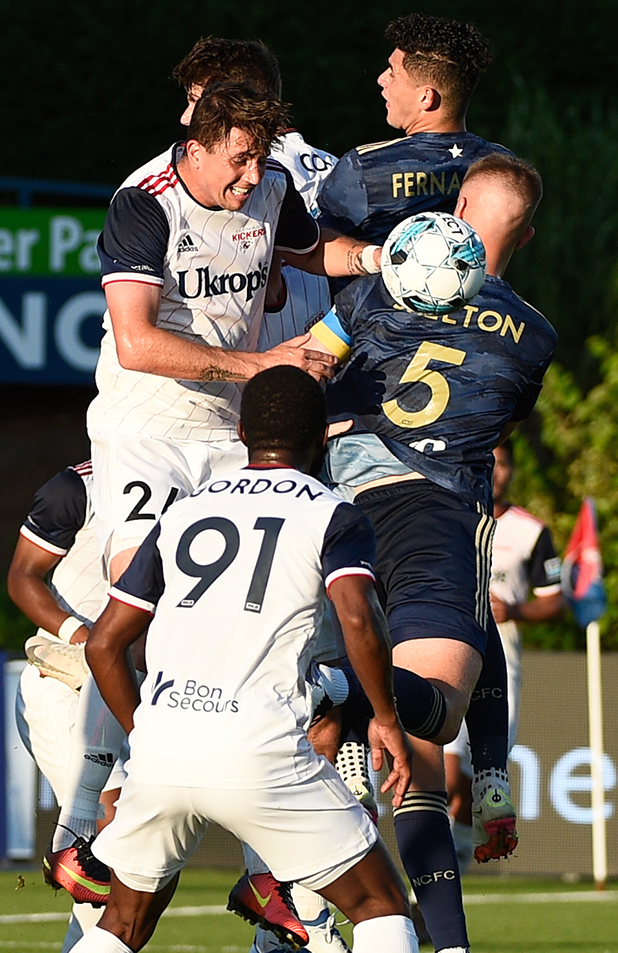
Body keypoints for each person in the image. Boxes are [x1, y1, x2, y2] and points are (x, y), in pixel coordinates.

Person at [28, 366, 421, 953]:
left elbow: (109, 642)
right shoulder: (333, 512)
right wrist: (387, 717)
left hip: (166, 745)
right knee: (381, 906)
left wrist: (142, 732)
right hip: (260, 747)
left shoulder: (183, 510)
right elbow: (359, 615)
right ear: (319, 437)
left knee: (123, 922)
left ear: (241, 434)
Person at [309, 152, 553, 953]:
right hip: (425, 511)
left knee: (386, 754)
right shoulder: (533, 334)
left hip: (322, 502)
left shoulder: (378, 291)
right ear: (522, 235)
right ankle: (344, 693)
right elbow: (488, 419)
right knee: (425, 720)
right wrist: (490, 766)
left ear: (452, 208)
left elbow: (309, 363)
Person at [168, 34, 356, 953]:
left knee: (309, 682)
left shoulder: (302, 178)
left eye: (228, 111)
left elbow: (318, 277)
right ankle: (284, 898)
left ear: (265, 108)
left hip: (280, 434)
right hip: (217, 430)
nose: (207, 133)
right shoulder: (167, 191)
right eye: (204, 112)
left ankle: (290, 903)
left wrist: (314, 353)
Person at [87, 80, 384, 594]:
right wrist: (264, 365)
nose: (253, 175)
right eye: (240, 159)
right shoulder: (144, 203)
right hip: (147, 431)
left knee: (233, 598)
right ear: (195, 150)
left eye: (261, 157)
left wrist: (378, 259)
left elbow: (313, 252)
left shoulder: (270, 183)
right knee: (141, 593)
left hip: (231, 432)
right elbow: (136, 343)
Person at [5, 460, 135, 953]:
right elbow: (23, 578)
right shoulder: (75, 486)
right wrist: (83, 637)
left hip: (125, 694)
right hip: (67, 687)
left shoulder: (198, 481)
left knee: (132, 860)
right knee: (105, 861)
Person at [169, 37, 340, 351]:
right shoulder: (340, 169)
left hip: (255, 366)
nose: (185, 117)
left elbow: (271, 287)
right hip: (329, 357)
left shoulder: (239, 181)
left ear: (233, 100)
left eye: (197, 101)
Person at [444, 441, 565, 856]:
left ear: (512, 471)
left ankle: (453, 859)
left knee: (476, 775)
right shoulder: (448, 516)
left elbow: (555, 598)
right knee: (443, 768)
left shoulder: (531, 531)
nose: (494, 471)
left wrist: (515, 609)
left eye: (503, 464)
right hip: (448, 653)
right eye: (488, 462)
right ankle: (440, 859)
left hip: (501, 661)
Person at [316, 15, 511, 254]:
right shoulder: (504, 168)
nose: (381, 79)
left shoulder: (365, 168)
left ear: (426, 98)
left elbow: (313, 247)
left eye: (393, 72)